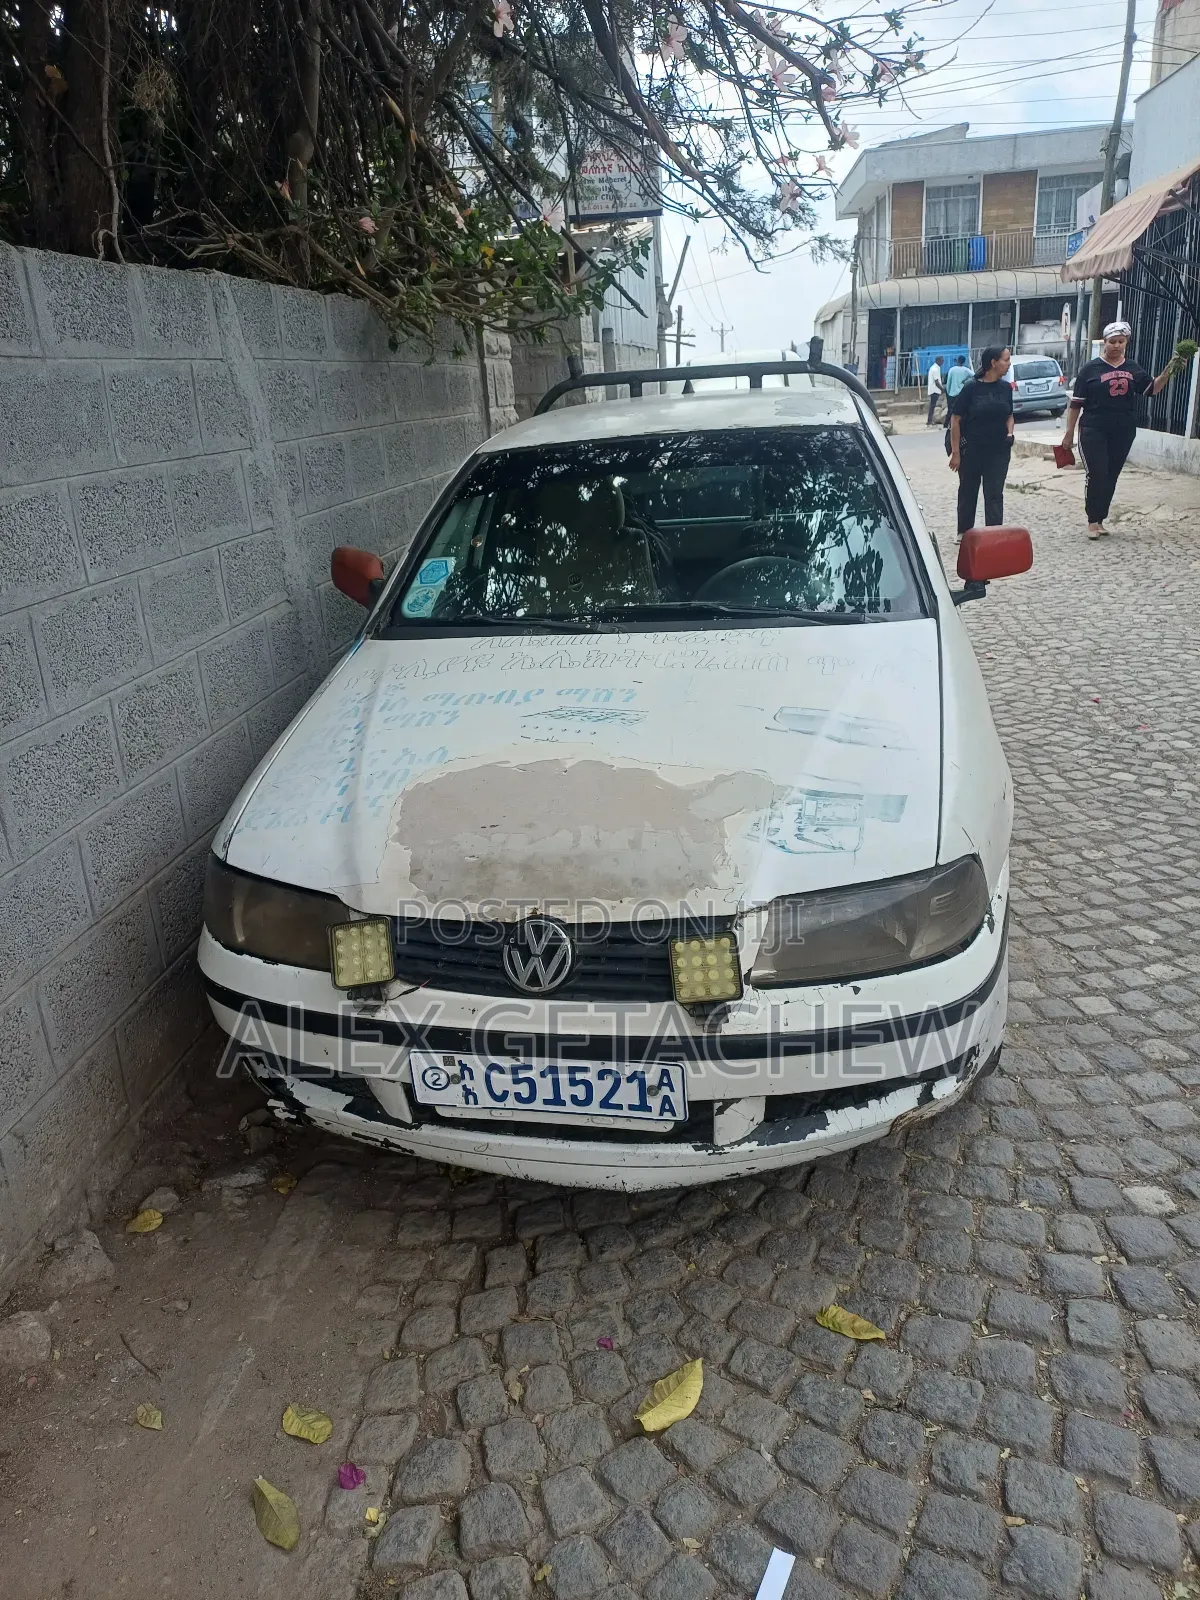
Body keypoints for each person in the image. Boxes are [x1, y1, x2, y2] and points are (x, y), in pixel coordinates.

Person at [1060, 320, 1176, 538]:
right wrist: (1069, 433)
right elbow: (1076, 403)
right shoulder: (1089, 369)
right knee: (1097, 473)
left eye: (1121, 341)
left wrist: (1170, 369)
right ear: (1105, 342)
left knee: (1111, 475)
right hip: (1093, 428)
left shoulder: (1132, 368)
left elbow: (1151, 389)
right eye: (1112, 341)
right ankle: (1092, 521)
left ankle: (1101, 519)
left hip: (1123, 429)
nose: (1116, 345)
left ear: (1126, 343)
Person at [948, 346, 1014, 537]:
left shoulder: (1005, 388)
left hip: (999, 450)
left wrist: (1010, 433)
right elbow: (955, 419)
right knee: (968, 491)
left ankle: (993, 533)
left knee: (994, 494)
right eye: (1006, 360)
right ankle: (964, 532)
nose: (1009, 364)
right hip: (972, 450)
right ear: (993, 363)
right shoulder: (971, 388)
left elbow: (1009, 415)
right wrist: (956, 453)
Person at [926, 355, 946, 426]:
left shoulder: (936, 368)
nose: (943, 362)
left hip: (934, 389)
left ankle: (930, 421)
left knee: (932, 405)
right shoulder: (935, 369)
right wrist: (942, 389)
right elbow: (936, 382)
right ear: (938, 361)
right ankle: (929, 421)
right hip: (934, 390)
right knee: (932, 405)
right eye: (942, 360)